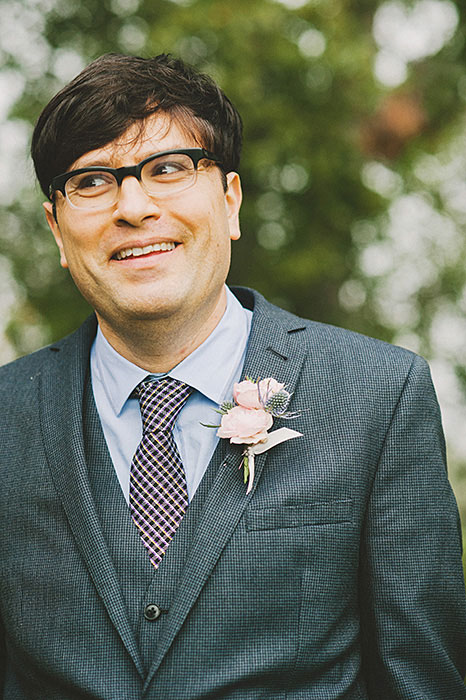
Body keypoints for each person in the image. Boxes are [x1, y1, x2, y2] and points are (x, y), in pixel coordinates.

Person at [0, 53, 465, 700]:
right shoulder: (6, 415)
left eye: (168, 169)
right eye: (92, 182)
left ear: (231, 201)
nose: (133, 206)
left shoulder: (379, 396)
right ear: (56, 228)